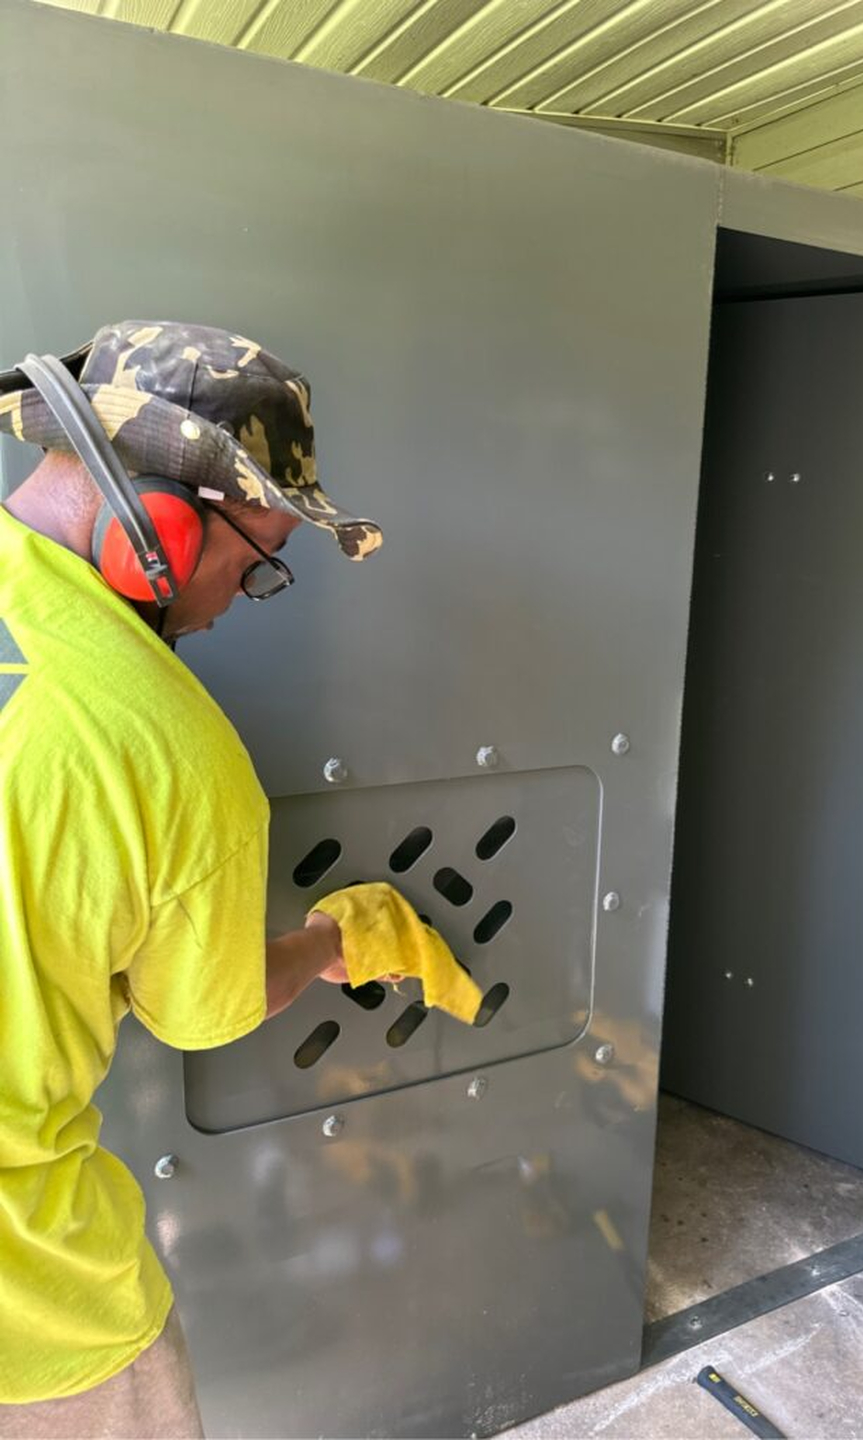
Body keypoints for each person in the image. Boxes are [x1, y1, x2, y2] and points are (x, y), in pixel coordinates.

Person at [0, 321, 383, 1438]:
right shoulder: (168, 747)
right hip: (34, 1310)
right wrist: (331, 942)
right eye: (258, 564)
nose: (236, 599)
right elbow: (202, 1012)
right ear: (160, 525)